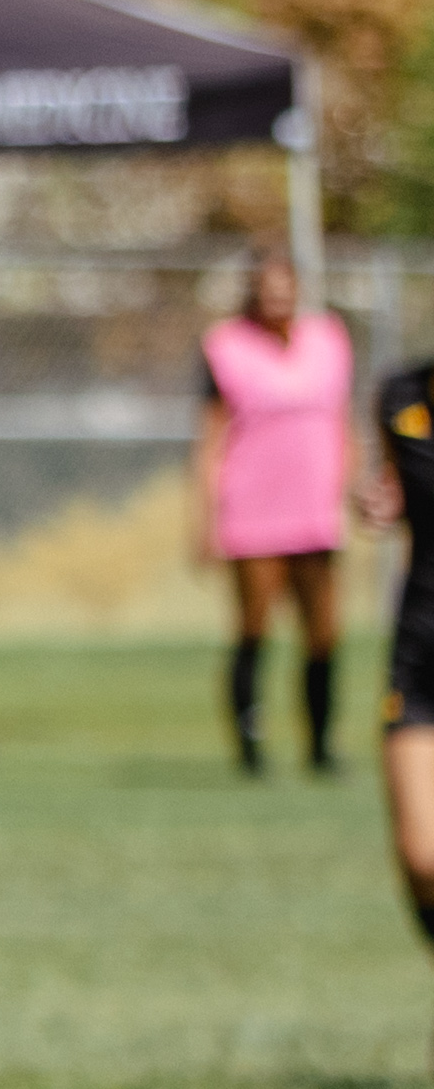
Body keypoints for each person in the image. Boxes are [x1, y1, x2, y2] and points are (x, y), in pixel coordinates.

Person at [198, 250, 355, 779]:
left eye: (285, 289)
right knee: (254, 628)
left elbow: (342, 420)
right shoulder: (226, 346)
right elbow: (211, 438)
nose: (277, 300)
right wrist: (204, 517)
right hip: (253, 509)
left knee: (324, 631)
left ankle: (321, 747)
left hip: (316, 507)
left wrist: (353, 487)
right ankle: (251, 749)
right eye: (267, 290)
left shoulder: (328, 340)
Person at [363, 332, 434, 1055]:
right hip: (420, 654)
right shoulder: (399, 396)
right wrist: (381, 501)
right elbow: (393, 485)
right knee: (421, 858)